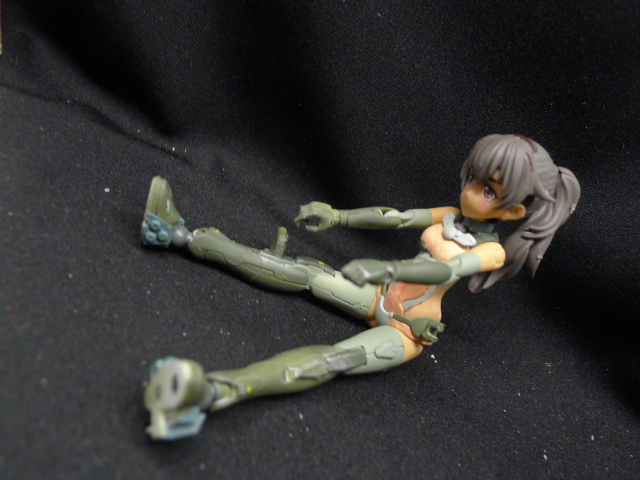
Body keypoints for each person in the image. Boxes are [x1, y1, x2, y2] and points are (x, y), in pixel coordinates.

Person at [141, 134, 580, 440]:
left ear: (513, 212)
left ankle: (211, 393)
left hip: (405, 331)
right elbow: (396, 217)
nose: (469, 193)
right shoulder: (449, 214)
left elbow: (448, 271)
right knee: (303, 272)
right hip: (378, 298)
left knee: (333, 359)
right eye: (472, 178)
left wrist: (385, 268)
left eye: (487, 191)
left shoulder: (493, 252)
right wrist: (338, 216)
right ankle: (178, 235)